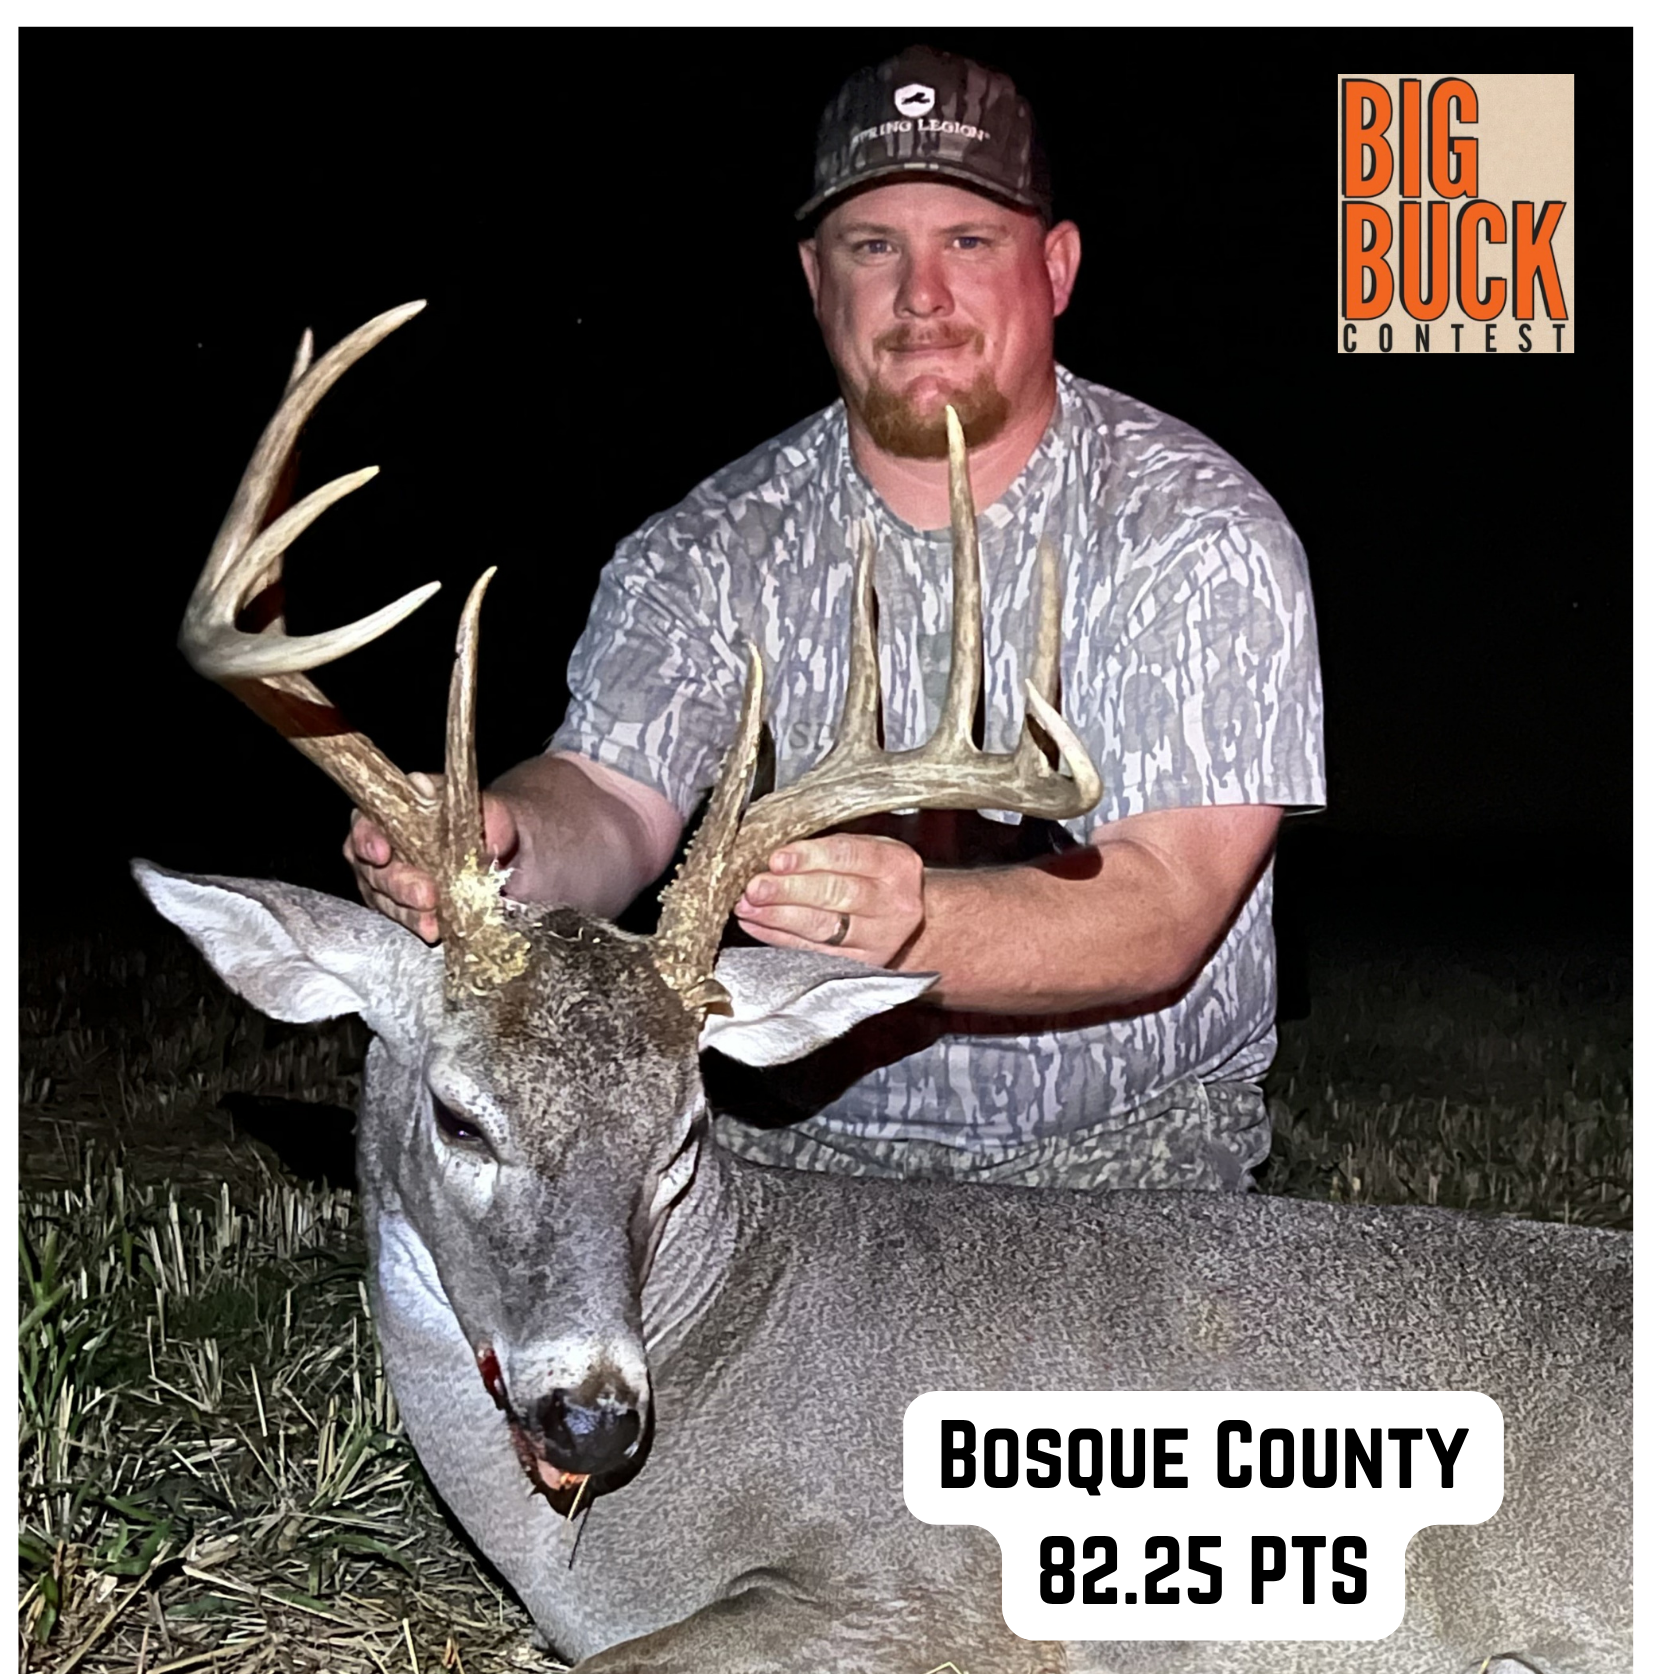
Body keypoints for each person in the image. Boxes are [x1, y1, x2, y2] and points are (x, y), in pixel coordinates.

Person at [347, 45, 1324, 1192]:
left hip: (1129, 1159)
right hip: (783, 1159)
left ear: (1056, 268)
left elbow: (1167, 904)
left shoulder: (1196, 531)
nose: (922, 294)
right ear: (817, 279)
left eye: (970, 241)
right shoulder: (712, 547)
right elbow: (611, 798)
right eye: (874, 247)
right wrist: (501, 842)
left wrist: (919, 929)